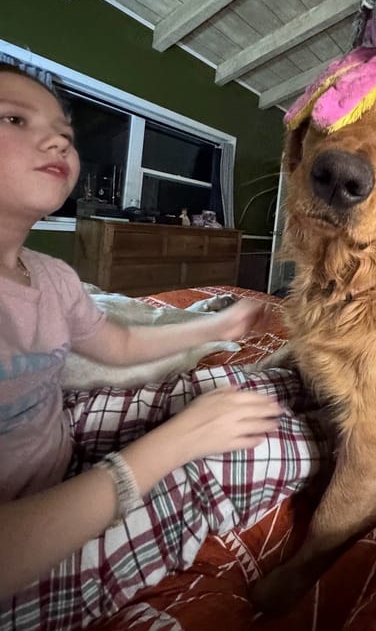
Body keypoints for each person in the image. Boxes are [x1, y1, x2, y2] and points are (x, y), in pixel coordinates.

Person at [0, 64, 326, 628]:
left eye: (64, 132)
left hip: (59, 440)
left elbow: (119, 342)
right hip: (24, 548)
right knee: (268, 445)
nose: (57, 141)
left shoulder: (52, 276)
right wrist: (174, 444)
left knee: (221, 387)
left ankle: (326, 397)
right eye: (14, 119)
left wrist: (215, 328)